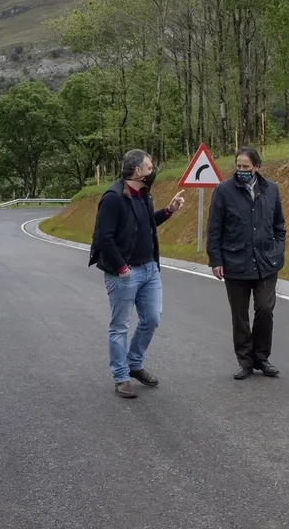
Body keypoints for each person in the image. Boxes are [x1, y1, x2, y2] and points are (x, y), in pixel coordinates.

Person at [89, 149, 185, 399]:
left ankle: (134, 362)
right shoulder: (113, 197)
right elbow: (104, 237)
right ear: (137, 171)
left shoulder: (144, 195)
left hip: (149, 269)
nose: (153, 172)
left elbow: (145, 225)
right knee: (120, 325)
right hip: (124, 272)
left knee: (152, 319)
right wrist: (121, 268)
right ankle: (121, 375)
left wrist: (169, 211)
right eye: (150, 168)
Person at [207, 147, 286, 381]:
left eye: (246, 167)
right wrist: (215, 260)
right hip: (235, 262)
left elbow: (279, 225)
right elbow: (214, 228)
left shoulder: (272, 189)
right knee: (240, 315)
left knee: (264, 309)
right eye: (238, 167)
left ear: (257, 167)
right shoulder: (223, 191)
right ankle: (245, 360)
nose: (241, 171)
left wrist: (278, 249)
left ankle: (262, 357)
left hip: (266, 262)